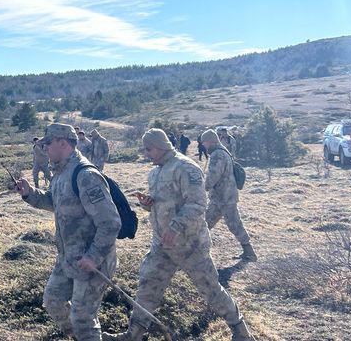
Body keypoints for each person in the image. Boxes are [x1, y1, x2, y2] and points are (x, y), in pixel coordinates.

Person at [103, 129, 255, 341]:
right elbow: (164, 203)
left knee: (211, 290)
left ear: (160, 145)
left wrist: (175, 227)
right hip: (161, 245)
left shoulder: (186, 167)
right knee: (147, 287)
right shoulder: (155, 172)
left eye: (149, 149)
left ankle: (241, 332)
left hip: (190, 245)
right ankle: (133, 335)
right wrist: (149, 204)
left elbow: (197, 204)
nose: (146, 154)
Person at [16, 124, 121, 340]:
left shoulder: (86, 175)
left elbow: (110, 222)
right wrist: (29, 193)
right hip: (68, 257)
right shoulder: (61, 172)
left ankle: (86, 334)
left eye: (47, 144)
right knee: (53, 301)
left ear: (63, 143)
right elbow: (54, 201)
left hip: (92, 261)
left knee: (83, 319)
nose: (44, 148)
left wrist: (93, 256)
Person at [200, 129, 257, 261]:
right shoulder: (222, 151)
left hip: (224, 197)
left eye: (204, 143)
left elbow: (213, 176)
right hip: (221, 197)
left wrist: (202, 188)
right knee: (205, 224)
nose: (204, 146)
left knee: (234, 224)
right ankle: (198, 251)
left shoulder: (217, 155)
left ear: (210, 141)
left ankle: (249, 252)